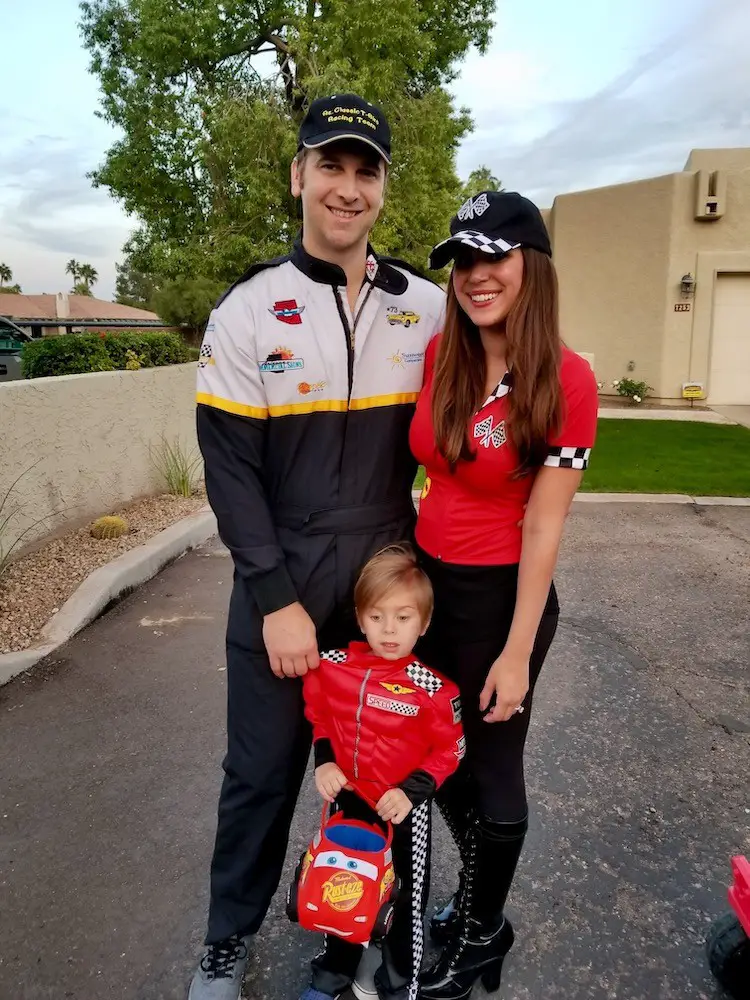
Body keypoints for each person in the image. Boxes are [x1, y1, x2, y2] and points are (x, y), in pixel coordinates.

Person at [188, 94, 445, 1000]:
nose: (346, 187)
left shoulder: (428, 306)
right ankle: (226, 942)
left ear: (382, 187)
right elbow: (229, 472)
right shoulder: (250, 309)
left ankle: (361, 931)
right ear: (298, 176)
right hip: (284, 576)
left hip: (385, 581)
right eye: (329, 166)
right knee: (258, 779)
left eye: (364, 169)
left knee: (379, 777)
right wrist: (274, 597)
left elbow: (502, 391)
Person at [408, 191, 599, 999]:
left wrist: (518, 653)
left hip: (500, 602)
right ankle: (481, 901)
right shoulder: (440, 357)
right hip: (427, 590)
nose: (475, 276)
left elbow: (543, 529)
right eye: (463, 260)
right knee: (434, 752)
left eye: (493, 257)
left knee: (492, 765)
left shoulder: (569, 379)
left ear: (532, 267)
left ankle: (483, 930)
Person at [299, 544, 465, 1000]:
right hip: (348, 801)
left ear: (424, 623)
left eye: (403, 617)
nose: (389, 630)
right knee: (341, 882)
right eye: (376, 617)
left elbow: (453, 747)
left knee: (405, 900)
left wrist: (414, 791)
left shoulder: (434, 690)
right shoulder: (332, 668)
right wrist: (326, 761)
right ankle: (333, 973)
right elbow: (320, 718)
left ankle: (399, 986)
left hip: (401, 809)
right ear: (359, 618)